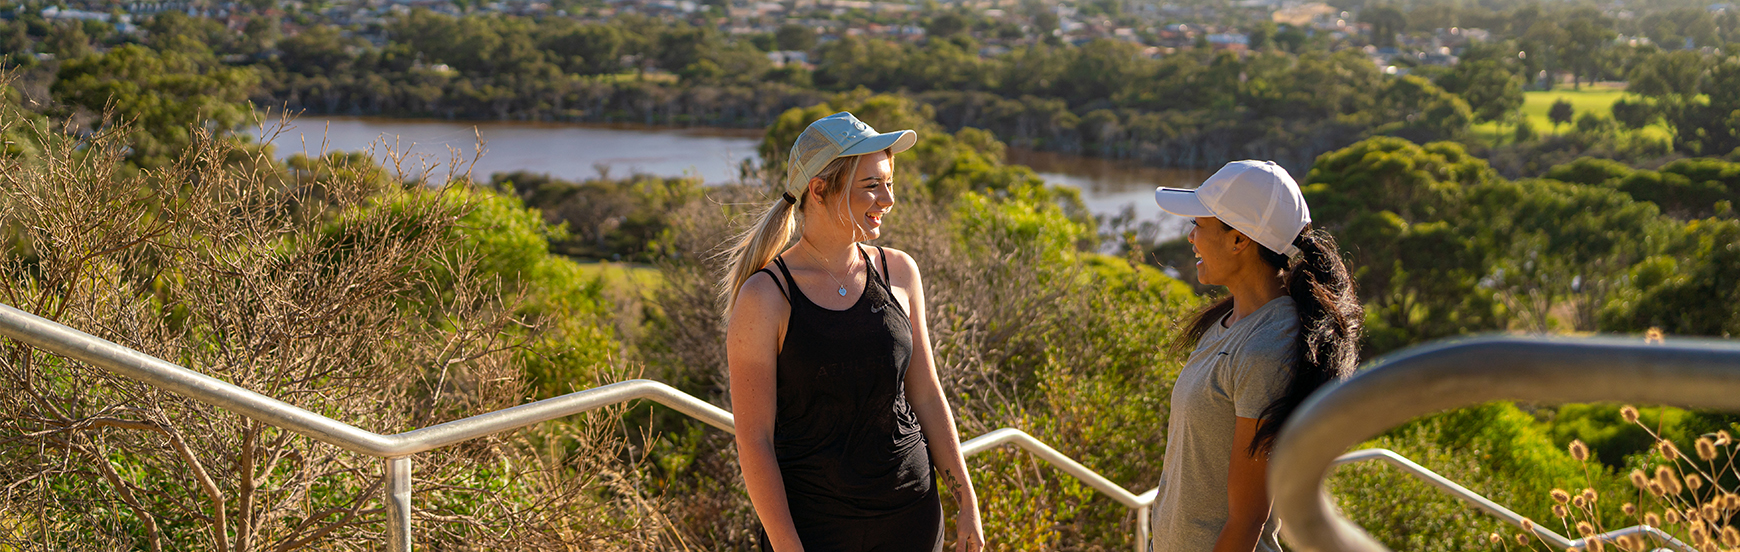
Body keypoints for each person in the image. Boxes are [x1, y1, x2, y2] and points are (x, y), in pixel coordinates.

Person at [721, 112, 985, 552]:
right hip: (815, 528)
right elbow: (755, 441)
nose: (887, 199)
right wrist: (788, 546)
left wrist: (966, 500)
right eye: (871, 185)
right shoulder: (765, 297)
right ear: (820, 190)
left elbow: (926, 394)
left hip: (913, 517)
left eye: (889, 183)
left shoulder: (899, 271)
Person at [1147, 160, 1363, 552]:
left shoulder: (1269, 348)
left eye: (1199, 224)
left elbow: (1247, 520)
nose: (1191, 238)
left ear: (1239, 240)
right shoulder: (1229, 321)